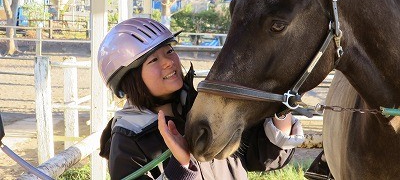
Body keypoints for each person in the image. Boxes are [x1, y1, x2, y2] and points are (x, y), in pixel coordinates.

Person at [98, 17, 305, 180]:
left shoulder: (202, 107)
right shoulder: (128, 140)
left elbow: (260, 157)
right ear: (130, 79)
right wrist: (182, 166)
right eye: (153, 60)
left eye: (169, 51)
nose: (169, 62)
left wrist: (282, 111)